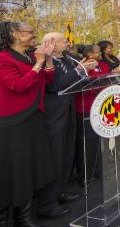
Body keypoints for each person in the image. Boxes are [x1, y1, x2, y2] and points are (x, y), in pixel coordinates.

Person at [0, 22, 55, 226]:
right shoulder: (1, 59)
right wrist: (38, 63)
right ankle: (1, 217)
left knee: (26, 169)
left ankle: (23, 216)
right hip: (8, 122)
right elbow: (18, 85)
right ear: (15, 34)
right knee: (7, 171)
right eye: (30, 32)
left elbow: (46, 80)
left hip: (30, 118)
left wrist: (48, 59)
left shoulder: (28, 56)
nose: (35, 34)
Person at [37, 33, 88, 219]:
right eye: (63, 41)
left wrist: (82, 73)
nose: (68, 43)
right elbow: (55, 85)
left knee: (67, 154)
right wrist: (78, 72)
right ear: (51, 43)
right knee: (55, 157)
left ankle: (61, 191)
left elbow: (72, 81)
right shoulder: (44, 61)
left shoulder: (66, 59)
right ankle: (47, 203)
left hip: (69, 112)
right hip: (53, 116)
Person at [74, 44, 107, 185]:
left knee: (99, 143)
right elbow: (86, 84)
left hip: (101, 107)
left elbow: (107, 79)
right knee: (87, 145)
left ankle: (98, 170)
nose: (100, 54)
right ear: (90, 55)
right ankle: (86, 175)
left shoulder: (103, 65)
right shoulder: (83, 67)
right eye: (98, 52)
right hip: (85, 109)